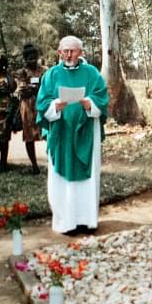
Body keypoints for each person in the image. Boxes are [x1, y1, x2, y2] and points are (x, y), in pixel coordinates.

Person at [36, 36, 109, 235]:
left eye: (73, 51)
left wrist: (90, 104)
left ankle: (86, 221)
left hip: (87, 131)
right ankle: (65, 222)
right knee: (62, 179)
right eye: (65, 51)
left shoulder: (92, 73)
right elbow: (42, 102)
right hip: (61, 133)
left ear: (81, 52)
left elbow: (101, 97)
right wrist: (54, 106)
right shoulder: (51, 74)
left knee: (88, 178)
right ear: (59, 52)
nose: (69, 54)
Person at [14, 44, 46, 174]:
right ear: (25, 59)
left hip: (43, 104)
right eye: (29, 58)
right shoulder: (20, 72)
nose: (32, 61)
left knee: (47, 132)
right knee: (29, 136)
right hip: (27, 106)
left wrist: (32, 88)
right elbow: (22, 91)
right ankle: (34, 166)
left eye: (34, 58)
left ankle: (53, 162)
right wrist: (36, 88)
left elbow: (48, 87)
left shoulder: (44, 70)